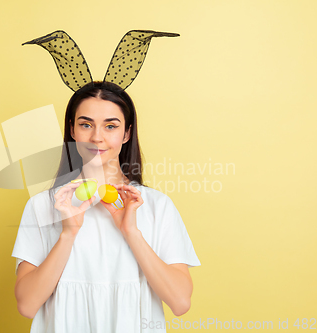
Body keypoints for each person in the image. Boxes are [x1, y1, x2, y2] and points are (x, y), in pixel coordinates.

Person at [11, 80, 201, 333]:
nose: (96, 137)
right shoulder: (43, 206)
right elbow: (27, 305)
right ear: (72, 130)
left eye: (110, 126)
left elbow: (179, 302)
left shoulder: (157, 206)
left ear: (126, 133)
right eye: (86, 124)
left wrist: (131, 233)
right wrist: (68, 234)